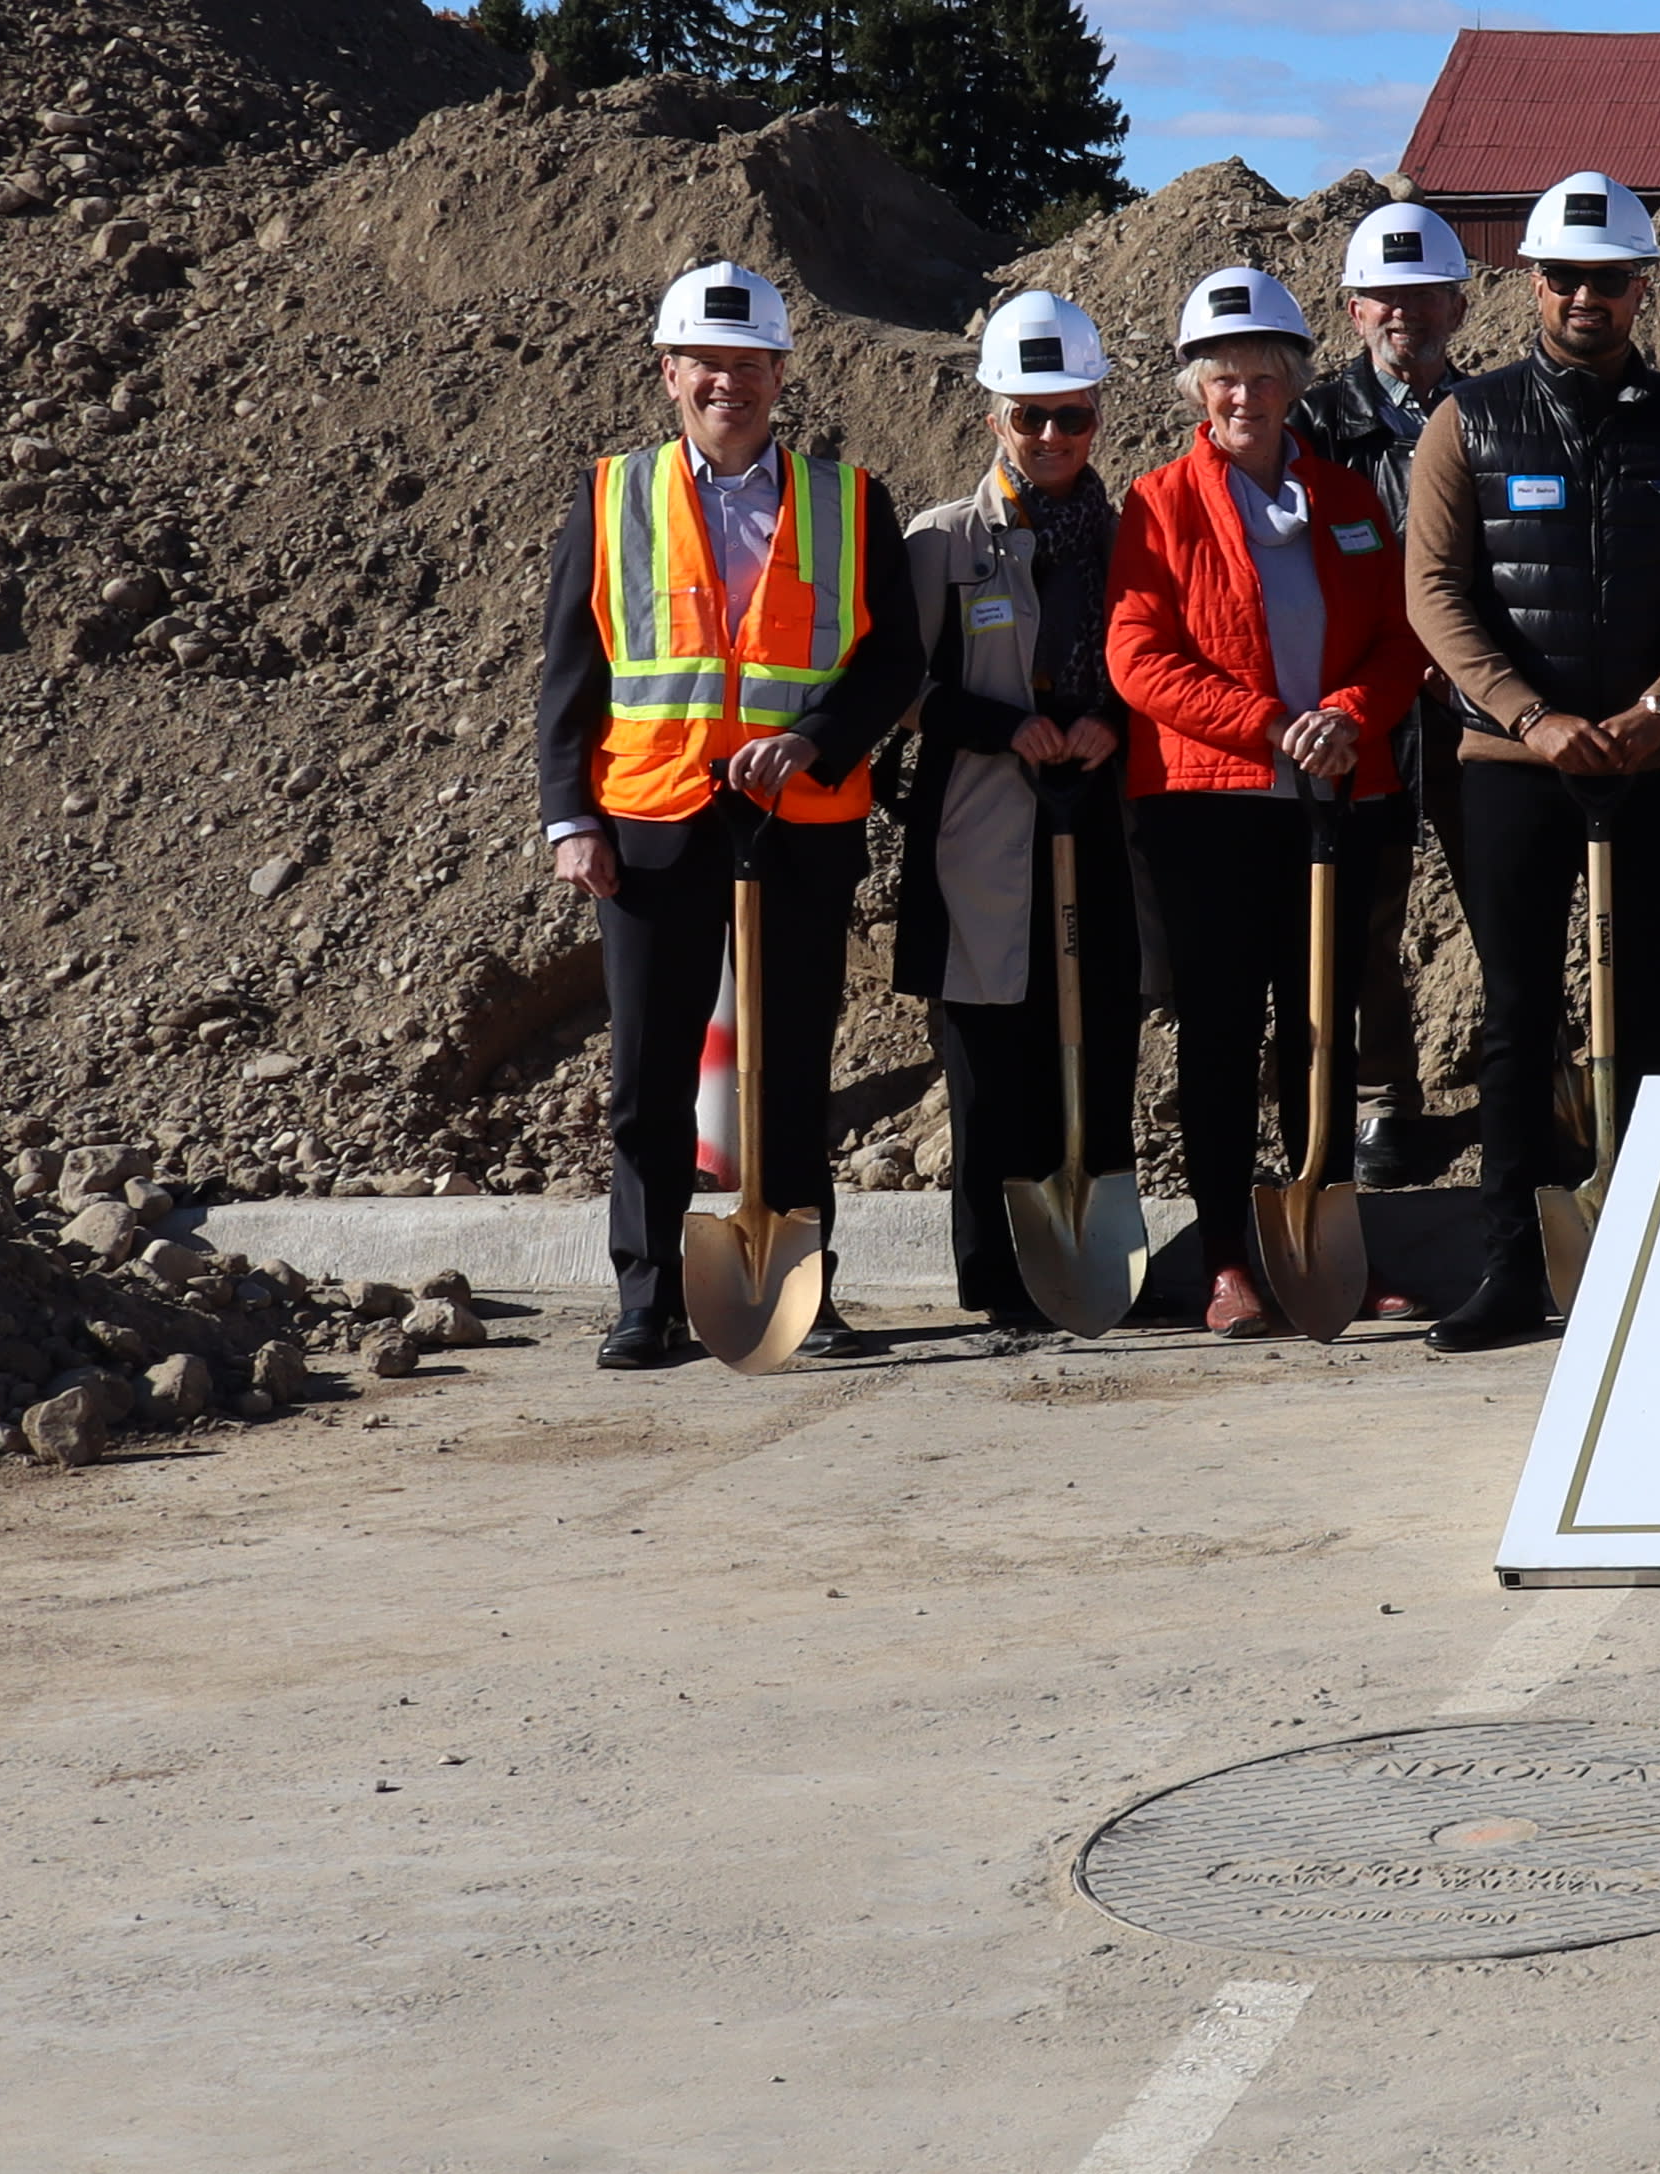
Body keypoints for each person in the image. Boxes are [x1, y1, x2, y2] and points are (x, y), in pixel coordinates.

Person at [532, 261, 917, 1369]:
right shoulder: (611, 495)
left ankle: (804, 1286)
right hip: (652, 822)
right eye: (707, 362)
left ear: (782, 374)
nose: (727, 383)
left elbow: (895, 660)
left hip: (799, 819)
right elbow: (572, 668)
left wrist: (819, 740)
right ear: (669, 373)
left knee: (793, 1064)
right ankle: (645, 1298)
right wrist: (571, 818)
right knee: (649, 1074)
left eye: (748, 365)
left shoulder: (850, 501)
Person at [1406, 170, 1660, 1351]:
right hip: (1511, 769)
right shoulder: (1470, 422)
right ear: (1531, 283)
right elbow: (1437, 594)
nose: (1584, 298)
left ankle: (1651, 1262)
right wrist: (1531, 718)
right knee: (1516, 1017)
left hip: (1647, 764)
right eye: (1564, 277)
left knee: (1645, 1010)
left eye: (1607, 280)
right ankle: (1511, 1264)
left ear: (1639, 288)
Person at [1110, 268, 1430, 1335]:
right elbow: (1136, 657)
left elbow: (1398, 638)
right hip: (1211, 806)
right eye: (1223, 378)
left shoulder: (1342, 499)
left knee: (1320, 1027)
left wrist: (1345, 712)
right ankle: (1225, 1258)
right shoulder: (1156, 503)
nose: (1243, 395)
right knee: (1219, 1030)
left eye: (1262, 376)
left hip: (1337, 800)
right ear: (1198, 390)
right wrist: (1268, 724)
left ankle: (1324, 1235)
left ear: (1295, 384)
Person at [893, 288, 1137, 1338]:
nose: (1050, 435)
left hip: (1096, 825)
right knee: (989, 1063)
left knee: (1090, 1042)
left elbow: (1158, 664)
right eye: (1029, 415)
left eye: (1071, 415)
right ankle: (996, 1274)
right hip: (979, 837)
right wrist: (1006, 727)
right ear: (993, 412)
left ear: (1097, 415)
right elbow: (895, 687)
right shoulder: (941, 542)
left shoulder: (1133, 537)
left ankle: (1084, 1261)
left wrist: (1109, 723)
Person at [1300, 194, 1477, 1175]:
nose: (1402, 310)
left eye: (1421, 294)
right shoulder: (1316, 424)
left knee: (1503, 901)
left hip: (1478, 703)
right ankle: (1381, 1104)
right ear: (1355, 309)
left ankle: (1530, 1090)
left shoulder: (1496, 411)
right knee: (1363, 908)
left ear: (1458, 304)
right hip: (1366, 706)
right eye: (1382, 296)